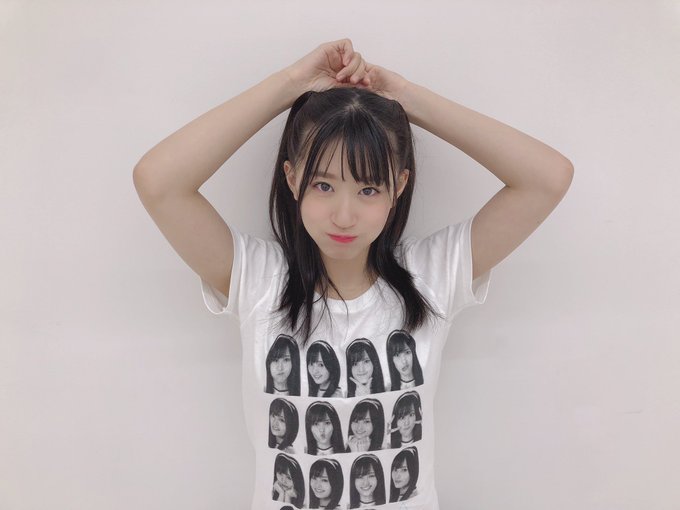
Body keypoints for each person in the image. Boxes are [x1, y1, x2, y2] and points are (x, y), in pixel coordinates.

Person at [134, 38, 573, 510]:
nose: (344, 216)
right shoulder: (259, 282)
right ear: (292, 178)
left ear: (398, 187)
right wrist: (291, 84)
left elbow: (547, 177)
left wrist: (405, 96)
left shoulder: (431, 277)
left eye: (368, 190)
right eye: (323, 185)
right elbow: (158, 181)